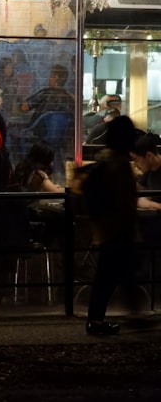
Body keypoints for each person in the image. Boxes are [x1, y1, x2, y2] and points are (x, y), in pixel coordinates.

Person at [77, 115, 143, 335]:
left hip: (105, 229)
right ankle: (132, 316)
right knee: (118, 274)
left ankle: (103, 320)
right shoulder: (121, 165)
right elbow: (125, 201)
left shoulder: (104, 160)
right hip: (119, 230)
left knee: (111, 275)